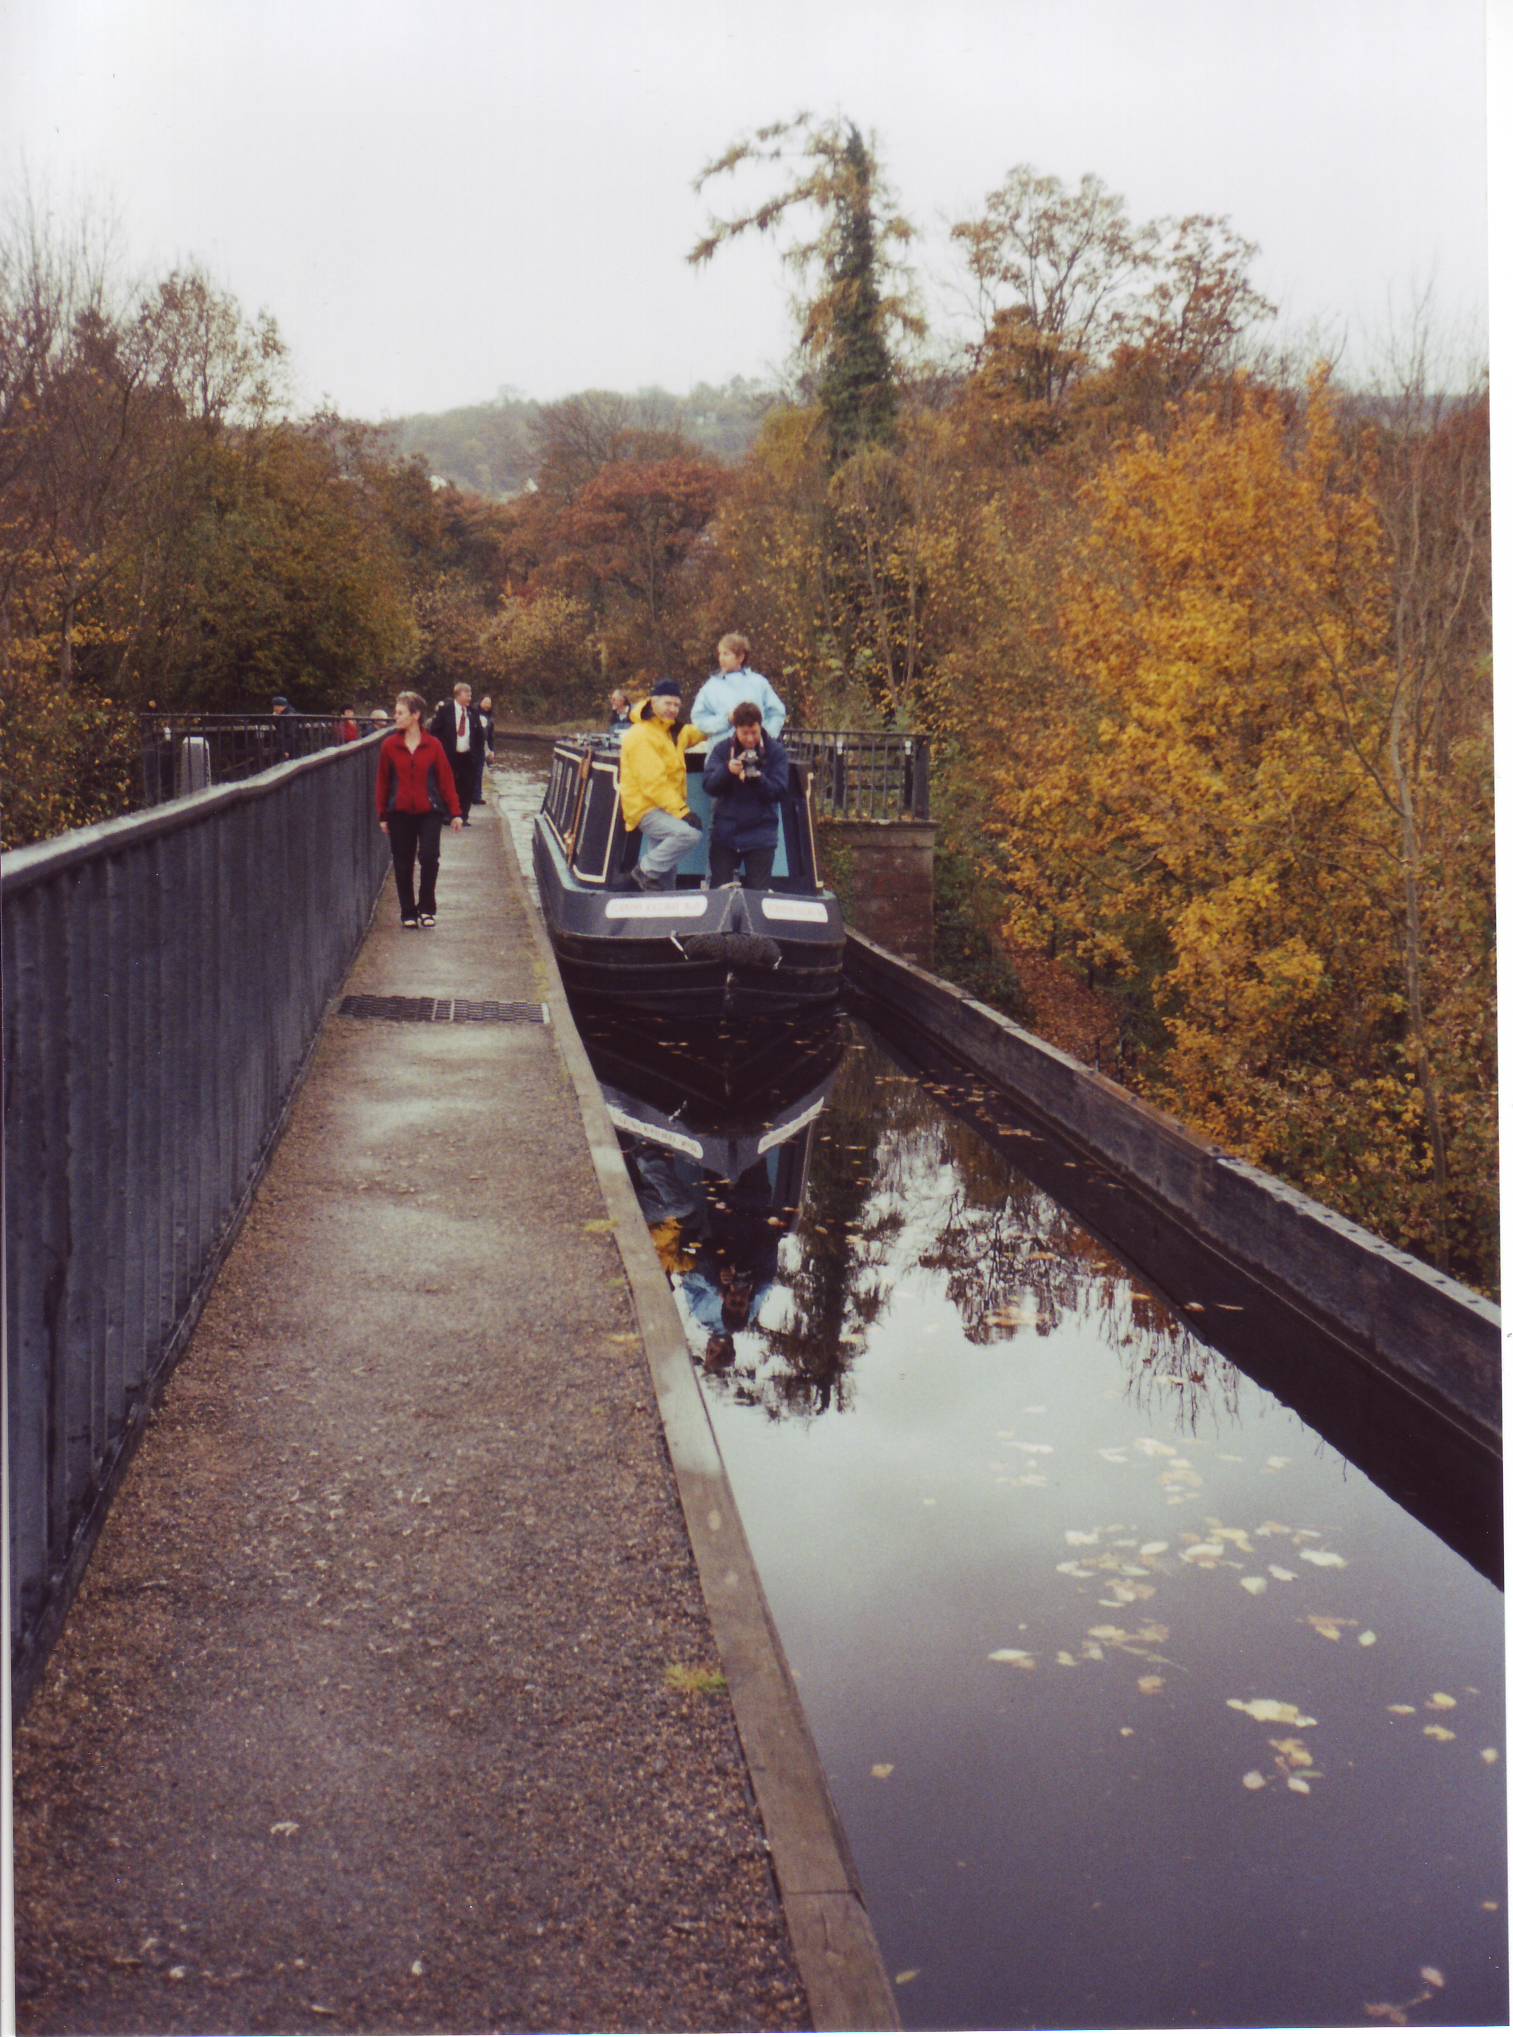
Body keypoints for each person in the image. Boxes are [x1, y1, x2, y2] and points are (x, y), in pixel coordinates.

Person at [376, 690, 462, 928]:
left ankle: (427, 908)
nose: (395, 717)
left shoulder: (433, 746)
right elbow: (383, 782)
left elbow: (446, 780)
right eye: (395, 712)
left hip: (429, 811)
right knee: (402, 862)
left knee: (429, 857)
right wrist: (383, 814)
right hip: (399, 813)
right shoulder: (389, 746)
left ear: (415, 715)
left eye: (400, 712)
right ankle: (408, 912)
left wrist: (455, 812)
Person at [617, 679, 704, 891]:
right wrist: (683, 812)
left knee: (665, 874)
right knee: (689, 834)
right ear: (653, 702)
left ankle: (659, 908)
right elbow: (653, 784)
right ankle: (643, 870)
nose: (672, 709)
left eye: (677, 705)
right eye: (668, 703)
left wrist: (729, 719)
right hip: (646, 809)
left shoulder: (672, 732)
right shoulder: (640, 735)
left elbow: (699, 731)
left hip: (665, 808)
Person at [702, 700, 790, 888]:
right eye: (744, 733)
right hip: (726, 835)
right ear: (736, 730)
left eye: (754, 732)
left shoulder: (776, 752)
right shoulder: (722, 749)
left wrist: (758, 779)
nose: (750, 739)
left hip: (761, 836)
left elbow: (780, 791)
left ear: (760, 726)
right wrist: (727, 771)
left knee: (757, 896)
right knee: (720, 893)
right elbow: (709, 785)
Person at [690, 634, 785, 743]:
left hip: (757, 754)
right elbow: (698, 719)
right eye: (720, 653)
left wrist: (764, 735)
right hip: (722, 754)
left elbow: (777, 712)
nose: (721, 658)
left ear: (740, 657)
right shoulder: (710, 687)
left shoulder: (758, 682)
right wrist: (726, 720)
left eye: (726, 654)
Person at [430, 681, 482, 825]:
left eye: (470, 694)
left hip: (467, 756)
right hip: (449, 755)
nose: (470, 697)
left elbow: (479, 736)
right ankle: (447, 815)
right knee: (449, 784)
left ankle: (463, 816)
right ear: (458, 695)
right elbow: (434, 731)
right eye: (467, 694)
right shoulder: (445, 710)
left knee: (467, 786)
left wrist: (477, 754)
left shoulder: (473, 712)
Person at [475, 694, 496, 803]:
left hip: (481, 747)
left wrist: (492, 751)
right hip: (471, 746)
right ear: (480, 702)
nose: (487, 705)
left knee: (479, 771)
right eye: (485, 702)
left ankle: (477, 796)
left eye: (489, 703)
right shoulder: (473, 713)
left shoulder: (490, 719)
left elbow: (491, 737)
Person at [271, 693, 298, 761]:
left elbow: (290, 733)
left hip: (288, 747)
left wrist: (287, 750)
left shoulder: (288, 716)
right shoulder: (284, 714)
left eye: (274, 706)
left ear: (279, 706)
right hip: (284, 745)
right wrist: (275, 718)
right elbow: (279, 727)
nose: (274, 708)